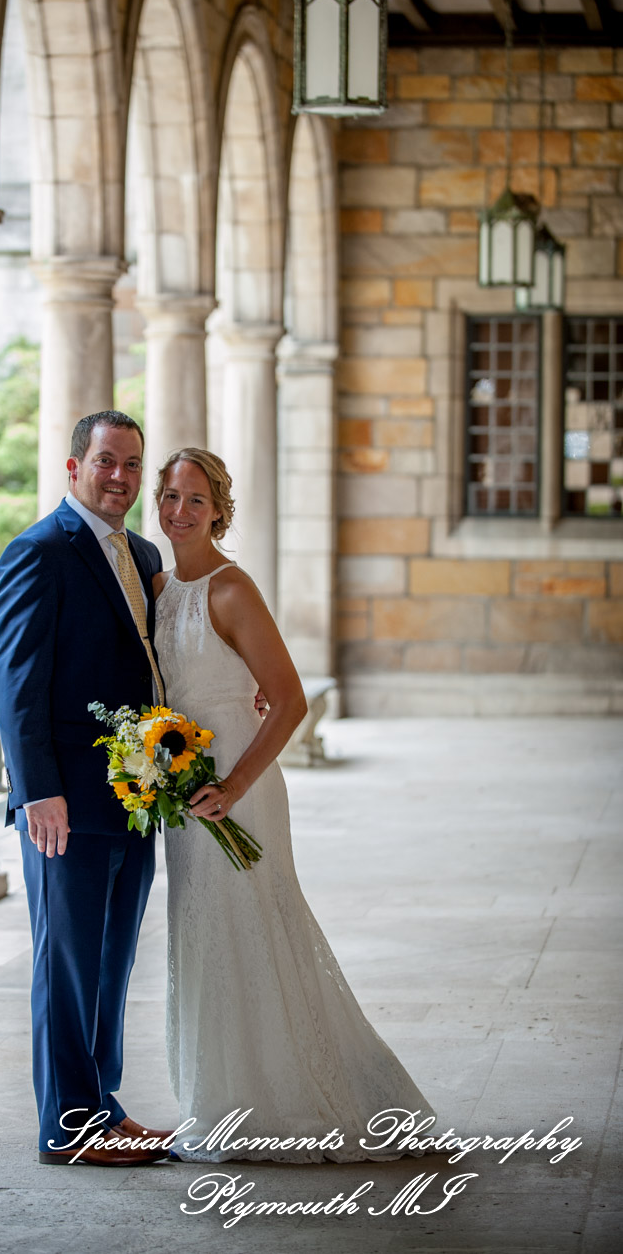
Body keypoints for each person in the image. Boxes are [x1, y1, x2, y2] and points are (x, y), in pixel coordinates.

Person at [152, 447, 435, 1163]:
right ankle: (221, 1098)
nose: (179, 511)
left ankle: (292, 1094)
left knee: (258, 924)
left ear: (218, 509)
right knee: (205, 932)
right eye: (170, 496)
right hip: (184, 793)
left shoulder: (230, 588)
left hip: (238, 793)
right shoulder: (157, 587)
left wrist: (237, 784)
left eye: (194, 500)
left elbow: (290, 699)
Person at [0, 411, 171, 1167]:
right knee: (65, 963)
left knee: (109, 962)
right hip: (65, 800)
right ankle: (67, 1127)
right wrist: (38, 791)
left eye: (132, 463)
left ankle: (104, 1105)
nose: (120, 477)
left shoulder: (142, 550)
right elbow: (16, 682)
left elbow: (156, 662)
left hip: (135, 796)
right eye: (106, 462)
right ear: (74, 468)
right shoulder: (38, 552)